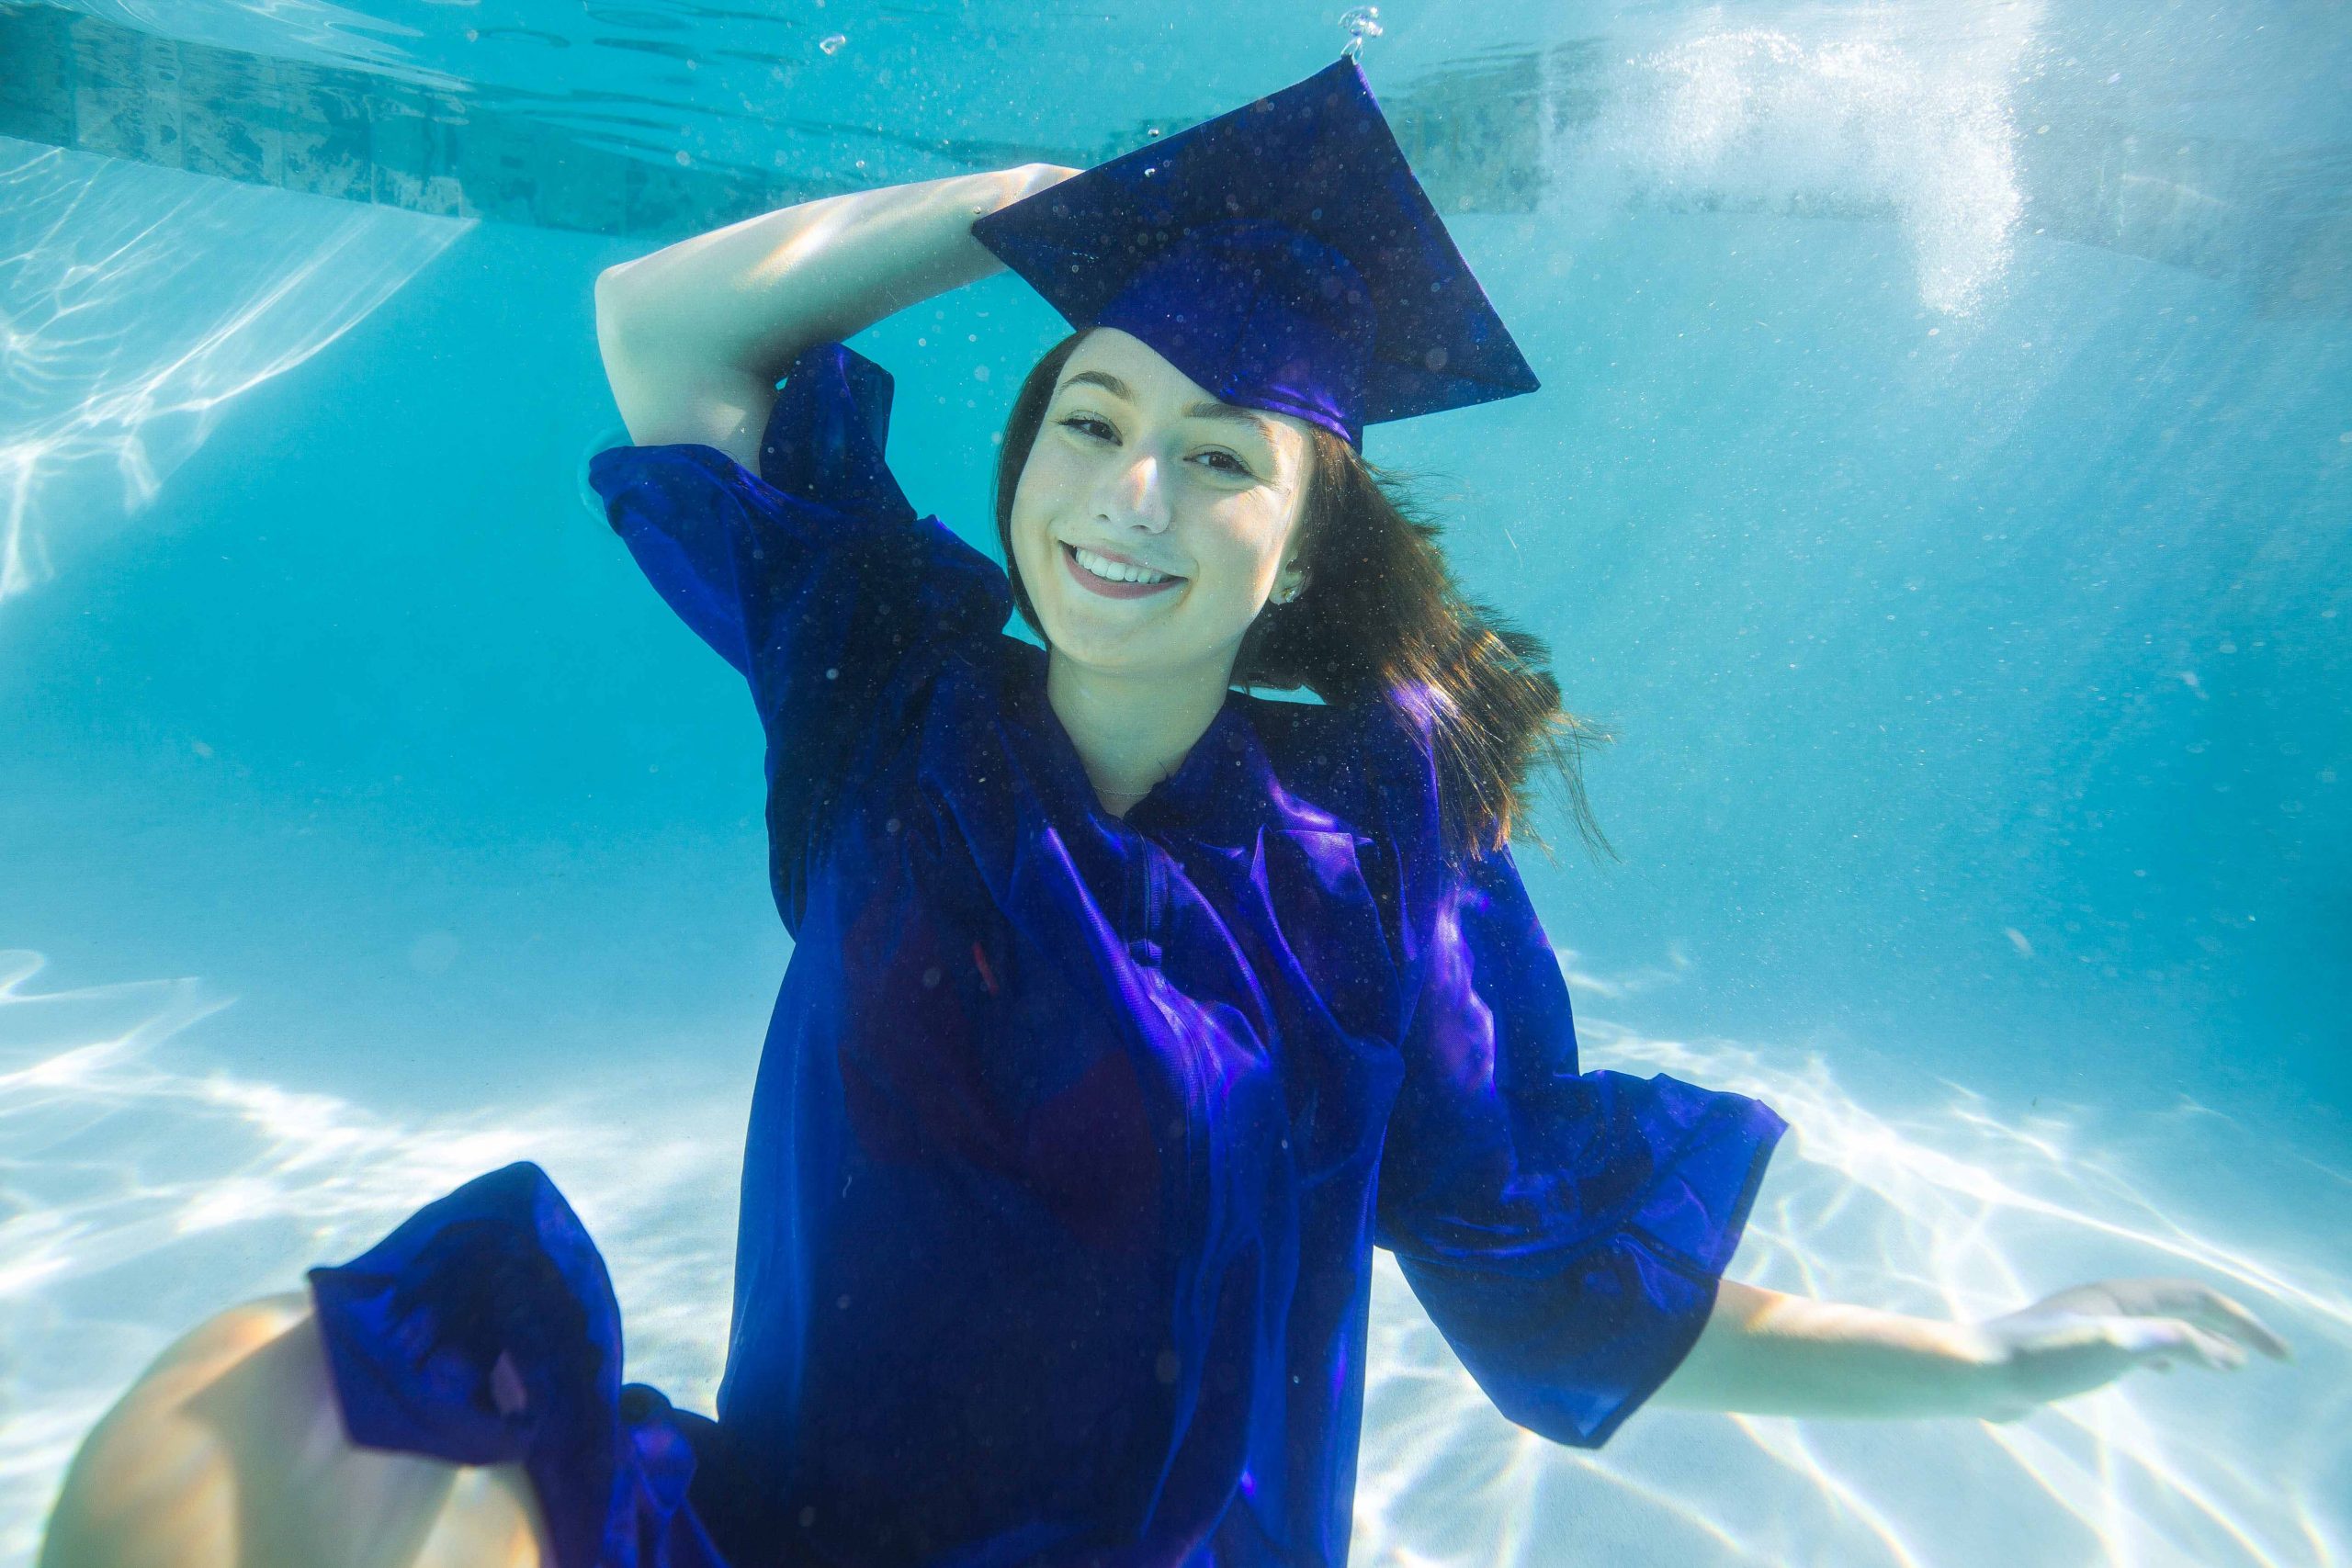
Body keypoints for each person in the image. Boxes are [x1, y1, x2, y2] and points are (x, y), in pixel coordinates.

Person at [40, 58, 2288, 1568]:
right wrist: (1045, 219)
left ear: (1297, 547)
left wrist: (2004, 1359)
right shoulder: (883, 693)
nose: (1129, 494)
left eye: (1218, 457)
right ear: (1018, 460)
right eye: (1089, 419)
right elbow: (661, 331)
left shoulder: (1368, 851)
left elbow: (1563, 1290)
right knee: (261, 1410)